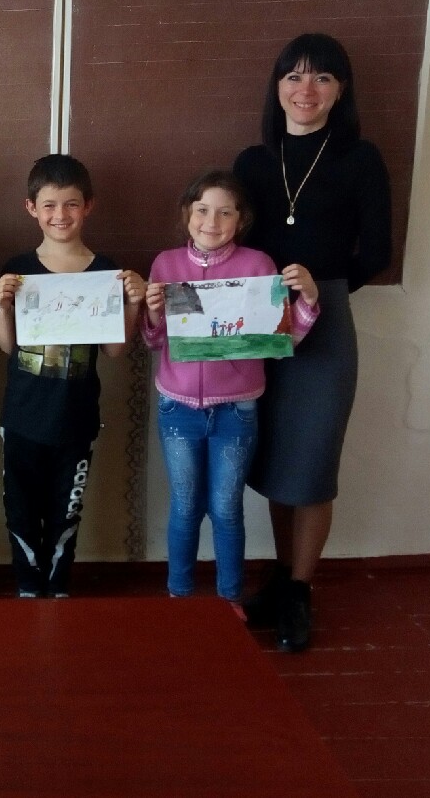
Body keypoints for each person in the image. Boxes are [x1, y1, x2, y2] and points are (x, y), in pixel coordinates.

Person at [233, 32, 392, 651]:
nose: (306, 89)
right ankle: (280, 580)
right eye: (294, 76)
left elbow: (376, 251)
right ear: (277, 86)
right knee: (276, 459)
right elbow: (228, 244)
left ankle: (301, 590)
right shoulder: (254, 161)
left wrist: (321, 291)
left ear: (340, 90)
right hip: (258, 320)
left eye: (322, 78)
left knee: (314, 460)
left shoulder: (360, 158)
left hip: (325, 324)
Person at [142, 170, 319, 617]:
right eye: (202, 210)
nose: (211, 222)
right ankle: (179, 596)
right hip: (178, 407)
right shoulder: (166, 265)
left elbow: (281, 341)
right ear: (187, 214)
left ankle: (229, 601)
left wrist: (308, 301)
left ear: (241, 220)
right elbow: (155, 341)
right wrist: (153, 314)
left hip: (236, 410)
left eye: (224, 213)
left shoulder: (258, 266)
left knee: (226, 508)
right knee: (185, 507)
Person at [0, 154, 144, 597]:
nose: (60, 215)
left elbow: (114, 350)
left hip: (76, 420)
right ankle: (27, 586)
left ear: (88, 206)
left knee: (66, 513)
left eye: (72, 204)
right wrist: (2, 307)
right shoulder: (18, 268)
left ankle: (58, 588)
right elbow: (7, 346)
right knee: (21, 512)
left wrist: (133, 303)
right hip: (22, 417)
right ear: (31, 208)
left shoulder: (104, 271)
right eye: (49, 205)